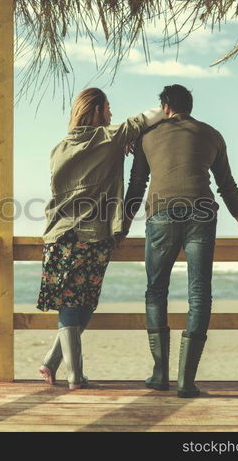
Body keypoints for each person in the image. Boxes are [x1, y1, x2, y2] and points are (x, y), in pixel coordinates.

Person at [122, 84, 238, 398]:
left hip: (161, 213)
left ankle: (160, 374)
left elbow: (137, 184)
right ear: (189, 107)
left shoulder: (147, 137)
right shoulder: (212, 134)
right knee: (199, 292)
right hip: (202, 214)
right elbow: (227, 187)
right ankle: (186, 382)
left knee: (156, 289)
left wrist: (121, 228)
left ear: (165, 106)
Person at [37, 87, 166, 390]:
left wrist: (122, 140)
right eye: (107, 108)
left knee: (83, 304)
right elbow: (153, 115)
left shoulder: (58, 148)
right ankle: (75, 376)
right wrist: (130, 133)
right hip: (89, 233)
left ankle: (51, 362)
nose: (111, 114)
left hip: (59, 232)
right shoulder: (109, 137)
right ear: (95, 110)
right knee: (75, 302)